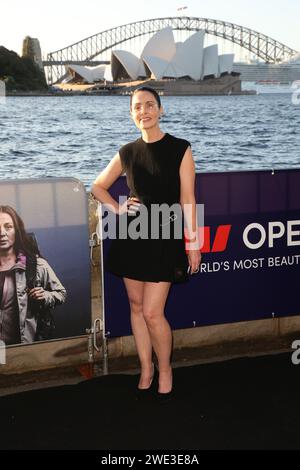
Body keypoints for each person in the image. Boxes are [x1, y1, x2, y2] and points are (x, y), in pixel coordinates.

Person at [92, 86, 201, 400]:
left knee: (153, 312)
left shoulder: (181, 148)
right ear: (132, 114)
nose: (144, 111)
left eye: (150, 105)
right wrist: (116, 207)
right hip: (133, 236)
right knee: (137, 308)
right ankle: (145, 368)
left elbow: (188, 199)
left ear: (161, 110)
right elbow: (97, 186)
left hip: (165, 238)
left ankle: (164, 368)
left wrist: (193, 242)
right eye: (137, 107)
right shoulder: (127, 151)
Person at [0, 205, 67, 345]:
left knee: (23, 366)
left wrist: (45, 296)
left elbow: (61, 293)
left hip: (26, 344)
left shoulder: (36, 265)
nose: (2, 233)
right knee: (3, 366)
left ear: (17, 231)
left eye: (8, 227)